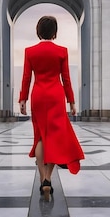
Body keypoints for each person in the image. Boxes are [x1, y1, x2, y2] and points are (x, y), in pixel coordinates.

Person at [19, 15, 85, 201]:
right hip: (56, 96)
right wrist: (71, 102)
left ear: (38, 31)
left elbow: (26, 77)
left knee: (40, 136)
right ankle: (48, 177)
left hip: (38, 95)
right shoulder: (62, 51)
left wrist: (22, 99)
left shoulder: (30, 51)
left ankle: (43, 178)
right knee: (54, 137)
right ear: (55, 32)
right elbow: (66, 79)